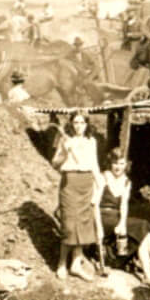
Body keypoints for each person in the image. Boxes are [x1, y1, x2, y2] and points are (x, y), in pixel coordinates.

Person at [95, 150, 150, 287]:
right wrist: (98, 226)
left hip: (116, 217)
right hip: (102, 216)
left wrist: (122, 223)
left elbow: (123, 206)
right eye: (115, 163)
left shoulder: (126, 181)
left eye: (121, 163)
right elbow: (95, 204)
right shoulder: (103, 177)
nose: (118, 167)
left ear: (126, 165)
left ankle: (148, 275)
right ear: (110, 163)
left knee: (143, 231)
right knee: (142, 226)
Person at [52, 110, 102, 281]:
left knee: (83, 224)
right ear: (71, 124)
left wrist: (99, 183)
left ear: (86, 124)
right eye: (76, 122)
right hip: (70, 183)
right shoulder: (65, 141)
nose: (79, 126)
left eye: (82, 122)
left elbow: (94, 164)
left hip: (86, 183)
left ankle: (75, 264)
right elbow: (55, 163)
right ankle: (61, 264)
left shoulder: (91, 141)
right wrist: (65, 152)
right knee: (69, 225)